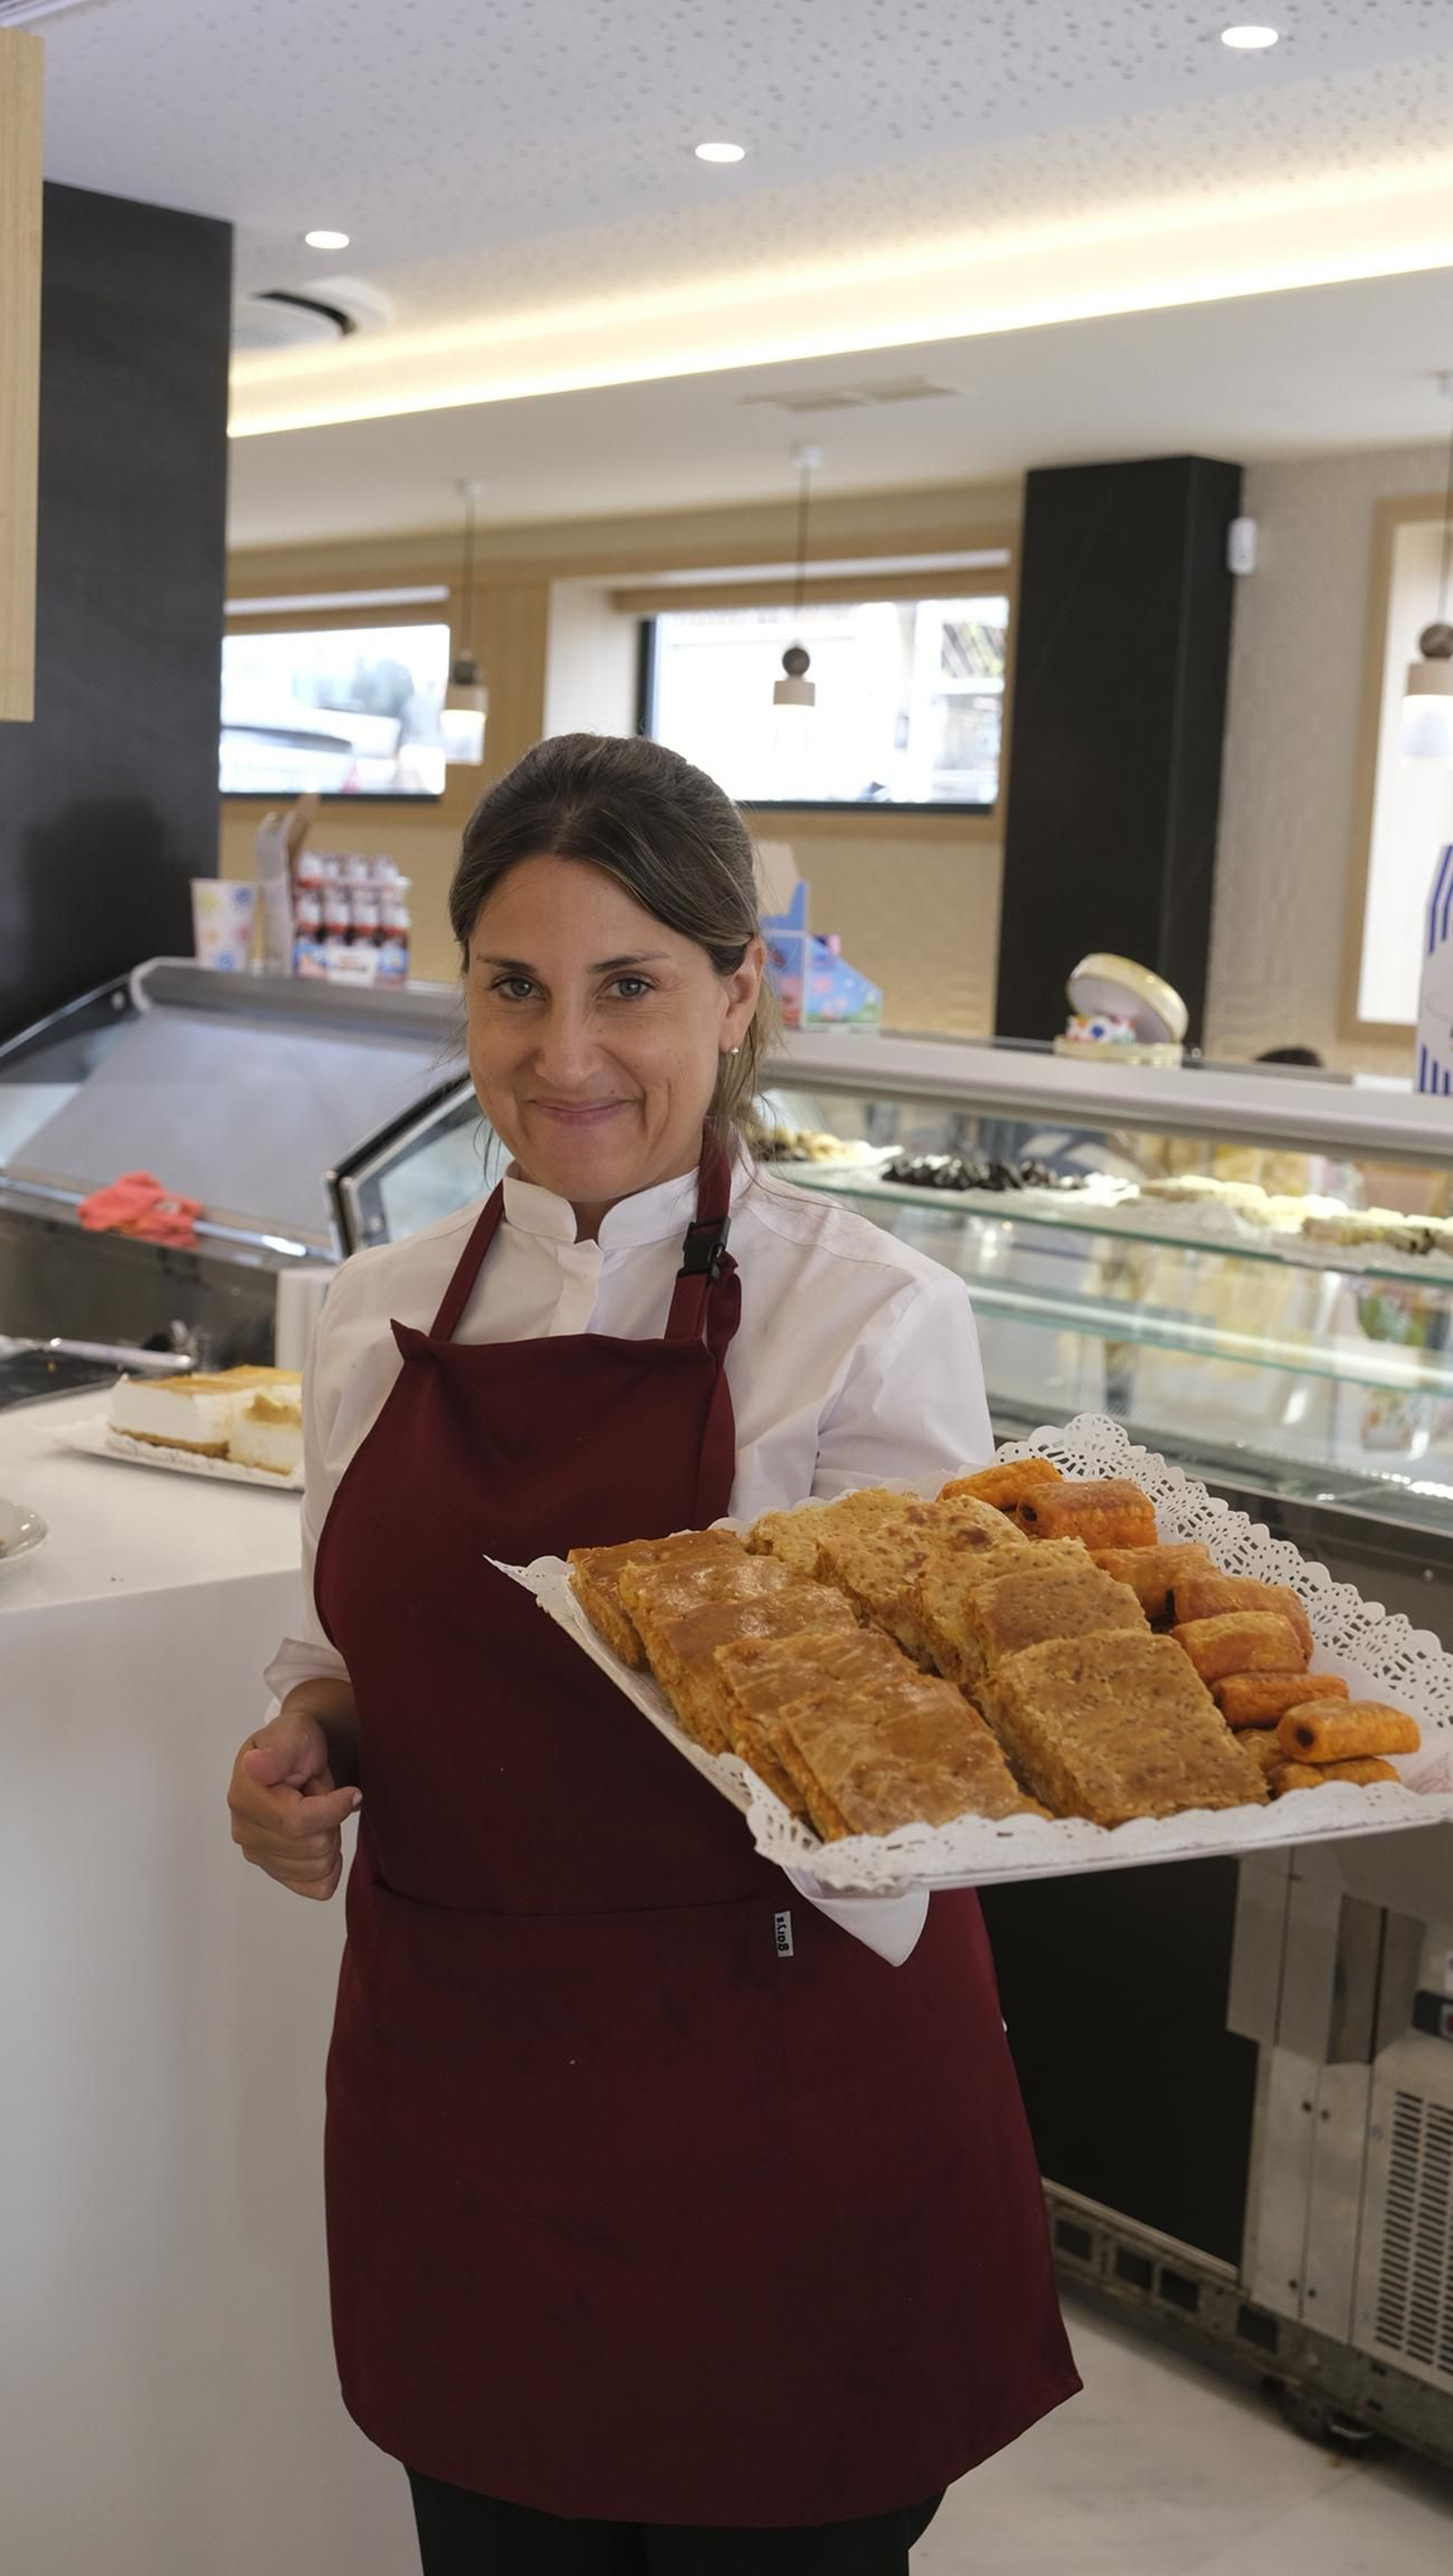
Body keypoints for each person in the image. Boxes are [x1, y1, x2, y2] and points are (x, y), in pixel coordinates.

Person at [227, 734, 1077, 2576]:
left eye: (628, 987)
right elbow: (348, 1639)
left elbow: (941, 1774)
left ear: (736, 991)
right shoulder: (373, 1311)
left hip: (780, 2117)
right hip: (464, 2108)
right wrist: (310, 1732)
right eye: (513, 990)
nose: (564, 1056)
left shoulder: (862, 1319)